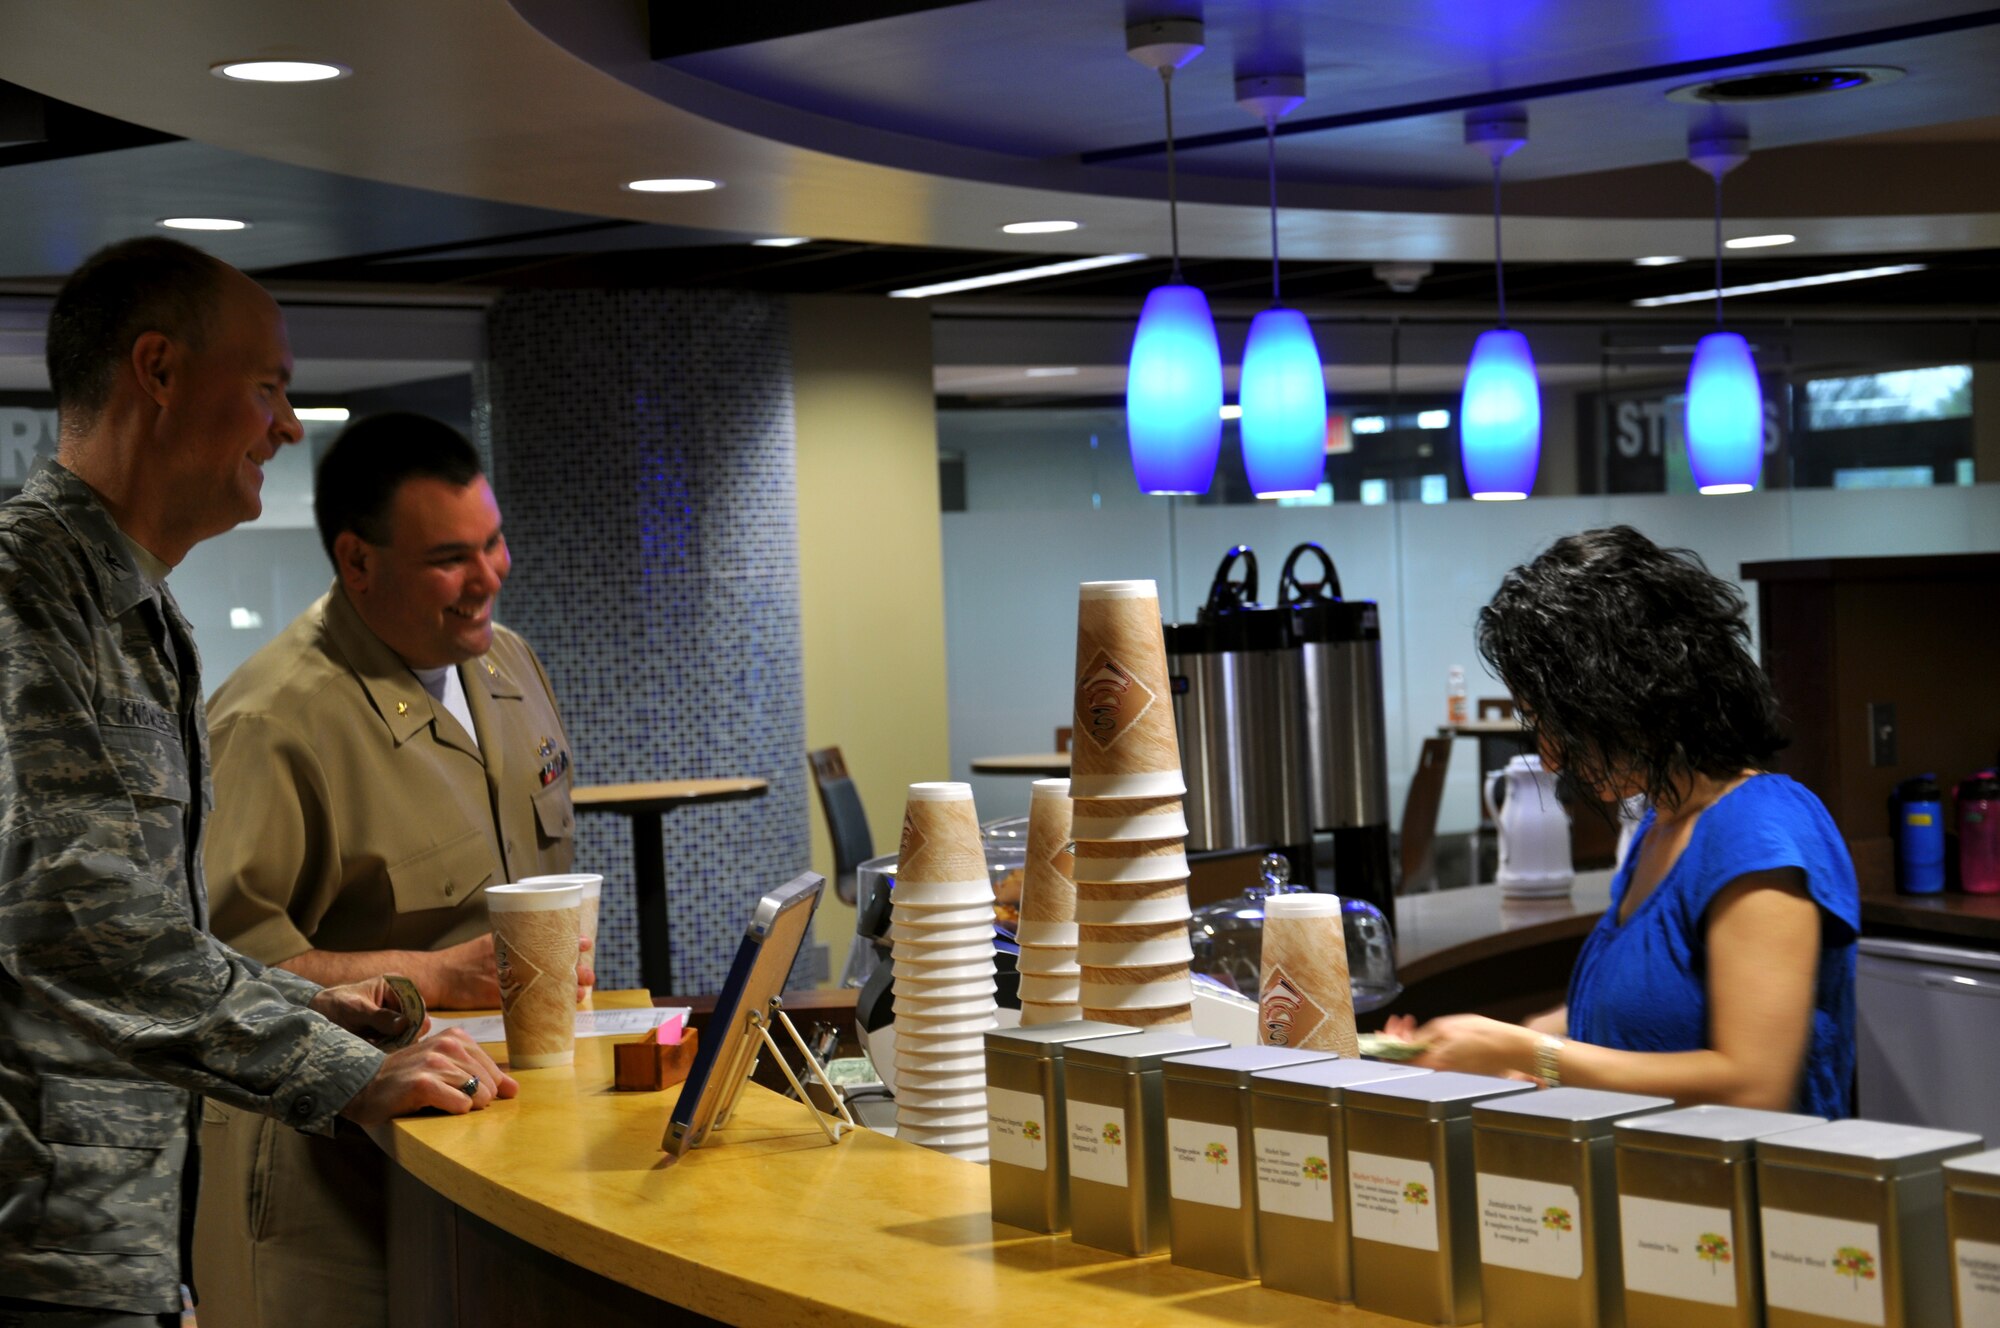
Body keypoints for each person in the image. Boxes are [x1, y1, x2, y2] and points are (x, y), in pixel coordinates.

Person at [0, 238, 516, 1327]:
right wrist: (340, 1068)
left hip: (106, 1233)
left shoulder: (137, 617)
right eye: (269, 388)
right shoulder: (28, 602)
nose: (287, 426)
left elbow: (153, 928)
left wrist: (319, 1003)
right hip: (35, 1239)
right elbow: (83, 937)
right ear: (158, 370)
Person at [193, 412, 580, 1328]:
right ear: (357, 562)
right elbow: (218, 974)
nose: (486, 578)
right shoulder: (274, 721)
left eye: (493, 543)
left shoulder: (508, 667)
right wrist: (438, 976)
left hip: (487, 1147)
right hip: (318, 1173)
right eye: (450, 557)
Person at [1388, 525, 1859, 1118]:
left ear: (1629, 695)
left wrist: (1532, 1051)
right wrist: (1483, 1042)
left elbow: (1755, 1085)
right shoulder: (1661, 827)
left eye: (1560, 725)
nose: (1552, 756)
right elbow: (1634, 1012)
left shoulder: (1760, 832)